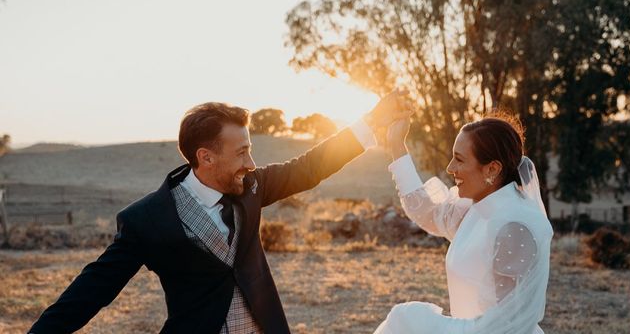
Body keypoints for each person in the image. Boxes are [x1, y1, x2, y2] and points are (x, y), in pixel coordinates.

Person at [29, 93, 411, 334]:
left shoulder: (253, 188)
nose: (252, 161)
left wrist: (371, 121)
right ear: (205, 157)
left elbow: (310, 166)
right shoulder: (147, 219)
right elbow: (93, 289)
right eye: (241, 151)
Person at [375, 113, 553, 334]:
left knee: (406, 319)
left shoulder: (514, 227)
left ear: (492, 169)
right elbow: (427, 212)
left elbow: (510, 326)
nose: (450, 168)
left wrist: (424, 325)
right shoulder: (475, 207)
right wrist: (396, 145)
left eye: (459, 159)